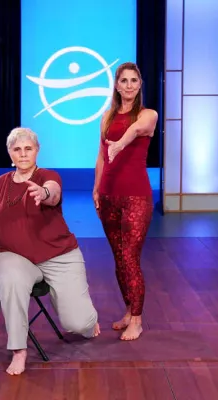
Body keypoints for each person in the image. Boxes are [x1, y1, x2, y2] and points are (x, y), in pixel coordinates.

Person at [0, 127, 100, 376]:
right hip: (14, 255)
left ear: (37, 151)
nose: (23, 154)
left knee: (78, 324)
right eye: (17, 149)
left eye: (28, 148)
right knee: (10, 277)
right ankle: (19, 350)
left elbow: (53, 192)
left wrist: (43, 193)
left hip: (59, 256)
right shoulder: (0, 183)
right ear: (10, 154)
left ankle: (89, 320)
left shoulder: (47, 176)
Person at [93, 62, 158, 341]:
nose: (129, 85)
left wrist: (120, 144)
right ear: (117, 85)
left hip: (136, 196)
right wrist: (96, 189)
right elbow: (99, 156)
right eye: (124, 80)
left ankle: (138, 320)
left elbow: (135, 131)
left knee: (131, 257)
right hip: (108, 195)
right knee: (119, 259)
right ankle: (129, 311)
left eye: (134, 80)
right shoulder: (107, 116)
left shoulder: (148, 115)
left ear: (139, 84)